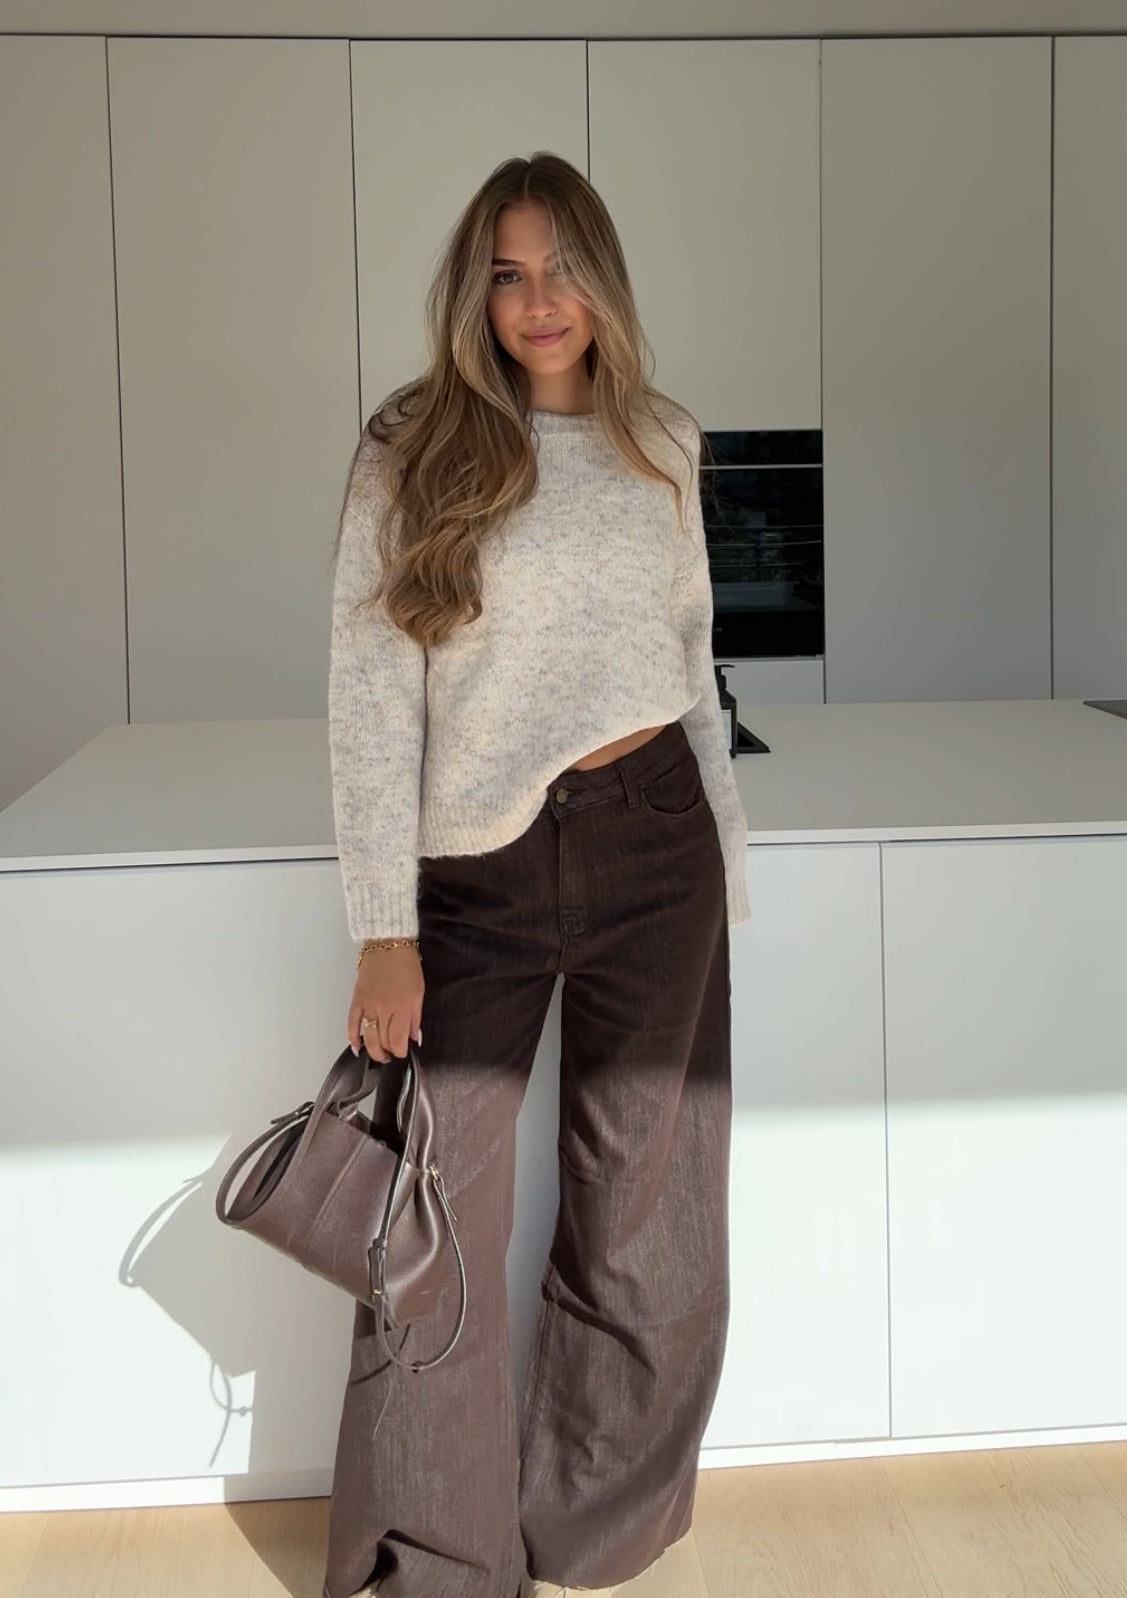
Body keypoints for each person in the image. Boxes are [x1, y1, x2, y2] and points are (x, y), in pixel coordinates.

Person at [323, 150, 751, 1598]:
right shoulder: (410, 447)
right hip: (478, 868)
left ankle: (596, 1531)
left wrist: (726, 860)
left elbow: (694, 668)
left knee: (646, 1210)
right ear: (477, 294)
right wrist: (383, 924)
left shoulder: (664, 441)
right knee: (432, 1216)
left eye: (562, 267)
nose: (538, 300)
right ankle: (432, 1557)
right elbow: (371, 691)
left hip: (657, 843)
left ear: (604, 279)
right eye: (508, 273)